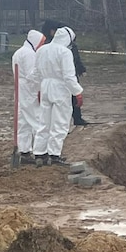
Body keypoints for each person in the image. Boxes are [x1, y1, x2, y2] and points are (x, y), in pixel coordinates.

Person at [32, 26, 83, 166]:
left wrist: (38, 89)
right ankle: (54, 155)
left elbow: (35, 73)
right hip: (60, 88)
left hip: (45, 86)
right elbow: (68, 76)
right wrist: (77, 92)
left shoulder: (42, 49)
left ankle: (39, 153)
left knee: (44, 121)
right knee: (60, 122)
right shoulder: (65, 52)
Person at [41, 19, 89, 126]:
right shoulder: (56, 49)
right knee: (58, 112)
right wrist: (77, 92)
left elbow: (76, 57)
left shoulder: (69, 46)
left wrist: (80, 68)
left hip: (57, 81)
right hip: (60, 81)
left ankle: (77, 117)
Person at [11, 30, 46, 165]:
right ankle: (41, 151)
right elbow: (33, 75)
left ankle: (24, 151)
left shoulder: (18, 52)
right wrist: (40, 86)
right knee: (36, 119)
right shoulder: (30, 54)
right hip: (28, 91)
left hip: (20, 89)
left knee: (23, 122)